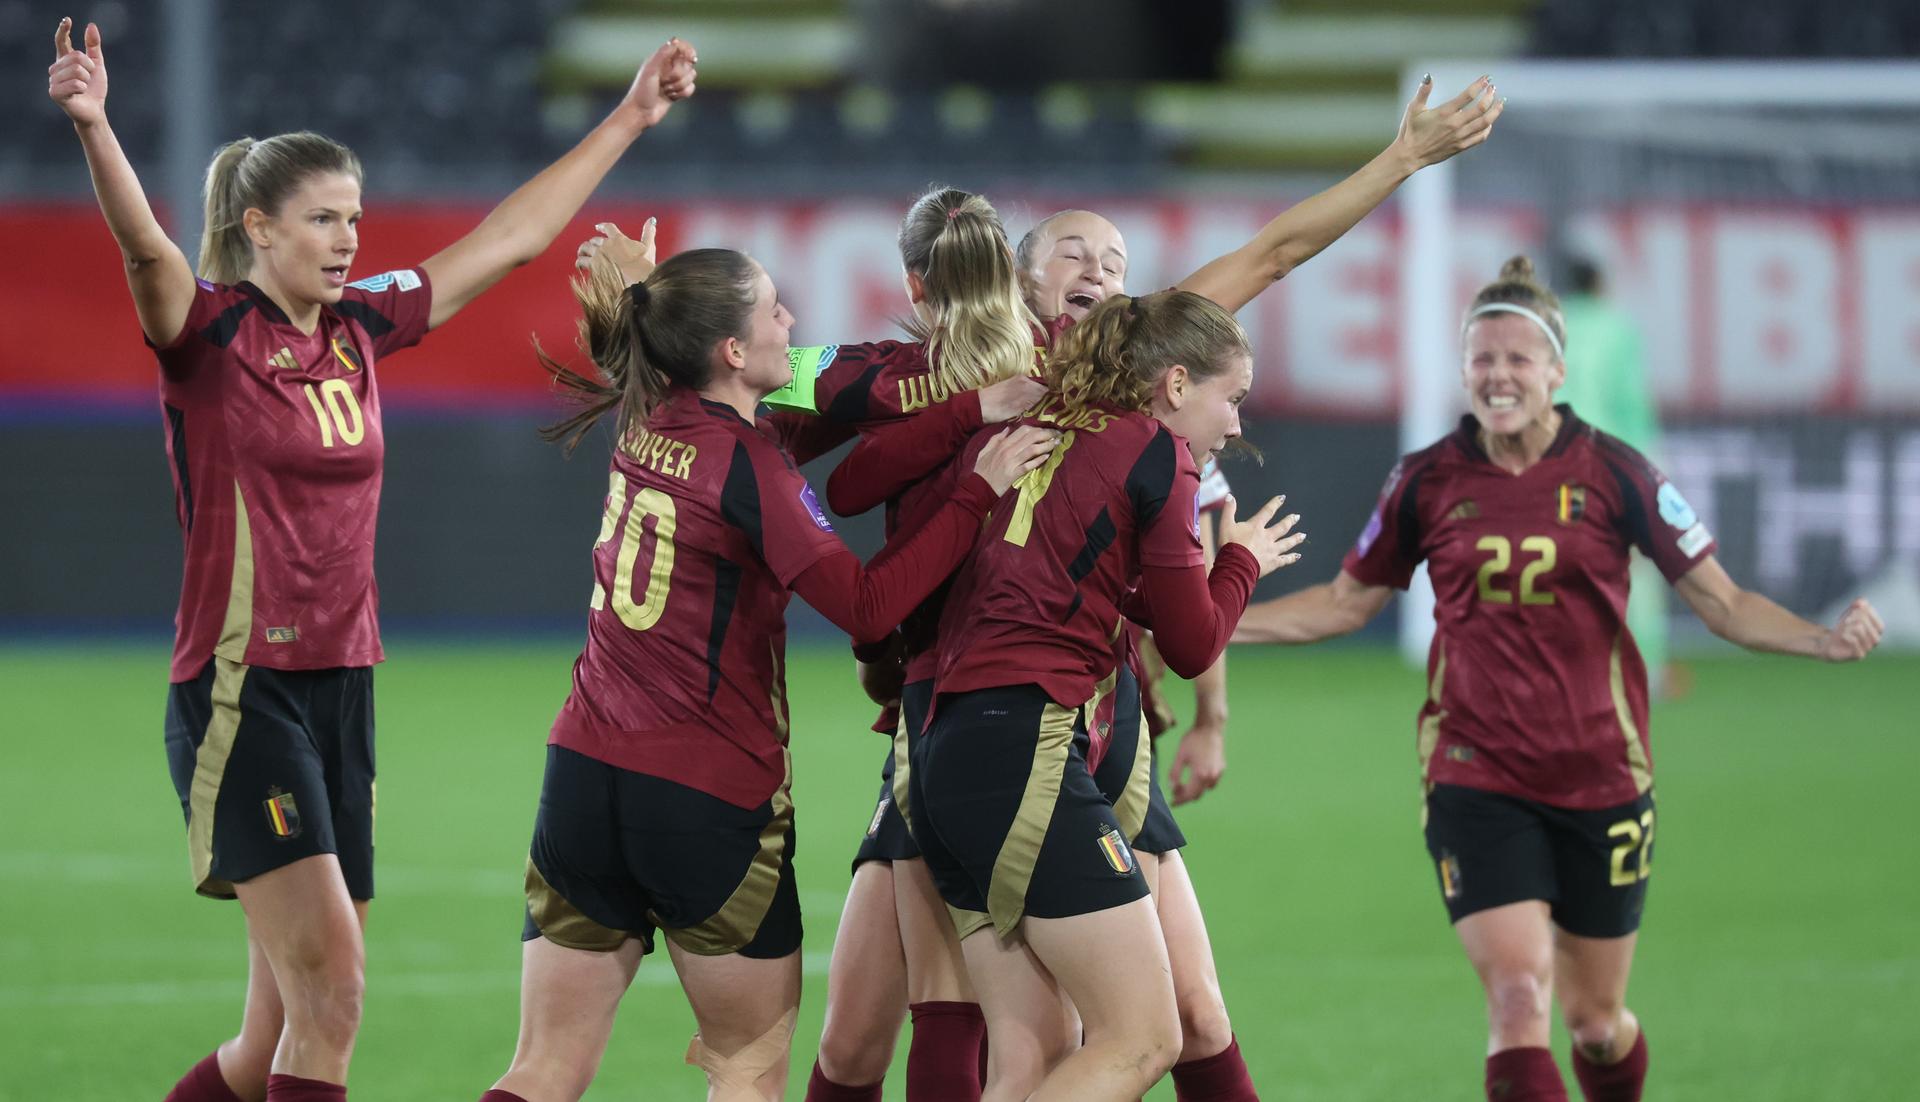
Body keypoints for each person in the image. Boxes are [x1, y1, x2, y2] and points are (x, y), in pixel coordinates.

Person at [46, 18, 700, 1102]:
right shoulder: (208, 335)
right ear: (258, 228)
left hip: (342, 689)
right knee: (336, 990)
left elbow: (509, 241)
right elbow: (145, 251)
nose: (347, 237)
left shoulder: (361, 327)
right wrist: (95, 127)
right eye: (322, 219)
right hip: (240, 692)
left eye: (353, 215)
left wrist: (631, 114)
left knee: (273, 1042)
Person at [1231, 257, 1885, 1102]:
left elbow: (1721, 603)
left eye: (1517, 360)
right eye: (1482, 360)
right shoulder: (1426, 479)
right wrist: (1214, 625)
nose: (1499, 377)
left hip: (1602, 774)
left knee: (1596, 1025)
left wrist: (1821, 641)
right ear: (1463, 369)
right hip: (1476, 774)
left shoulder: (1617, 472)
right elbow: (1346, 602)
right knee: (1516, 996)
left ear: (1557, 372)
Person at [991, 75, 1501, 1097]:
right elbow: (816, 374)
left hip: (1105, 714)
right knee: (1022, 1039)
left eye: (1119, 258)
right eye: (1075, 251)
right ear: (1017, 281)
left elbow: (1276, 252)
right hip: (988, 718)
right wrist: (706, 364)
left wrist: (1400, 159)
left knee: (1188, 1015)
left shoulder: (1130, 369)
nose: (1103, 267)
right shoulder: (960, 377)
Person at [476, 250, 1058, 1102]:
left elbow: (832, 415)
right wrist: (975, 485)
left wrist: (967, 400)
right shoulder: (754, 466)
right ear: (731, 353)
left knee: (545, 1067)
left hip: (581, 777)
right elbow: (865, 607)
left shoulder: (649, 415)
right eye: (775, 312)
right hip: (703, 795)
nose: (792, 325)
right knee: (745, 1063)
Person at [907, 291, 1303, 1101]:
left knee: (1034, 1057)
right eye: (1232, 399)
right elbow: (1190, 648)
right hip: (1028, 747)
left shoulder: (1045, 423)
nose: (1234, 425)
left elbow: (1130, 598)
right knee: (1143, 1037)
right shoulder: (1156, 452)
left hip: (946, 750)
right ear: (1178, 384)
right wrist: (1243, 562)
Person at [1555, 256, 1675, 696]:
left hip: (1562, 461)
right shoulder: (1618, 327)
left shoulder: (1552, 326)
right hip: (1615, 462)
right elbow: (1631, 400)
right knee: (1635, 566)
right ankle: (1646, 671)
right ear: (1601, 284)